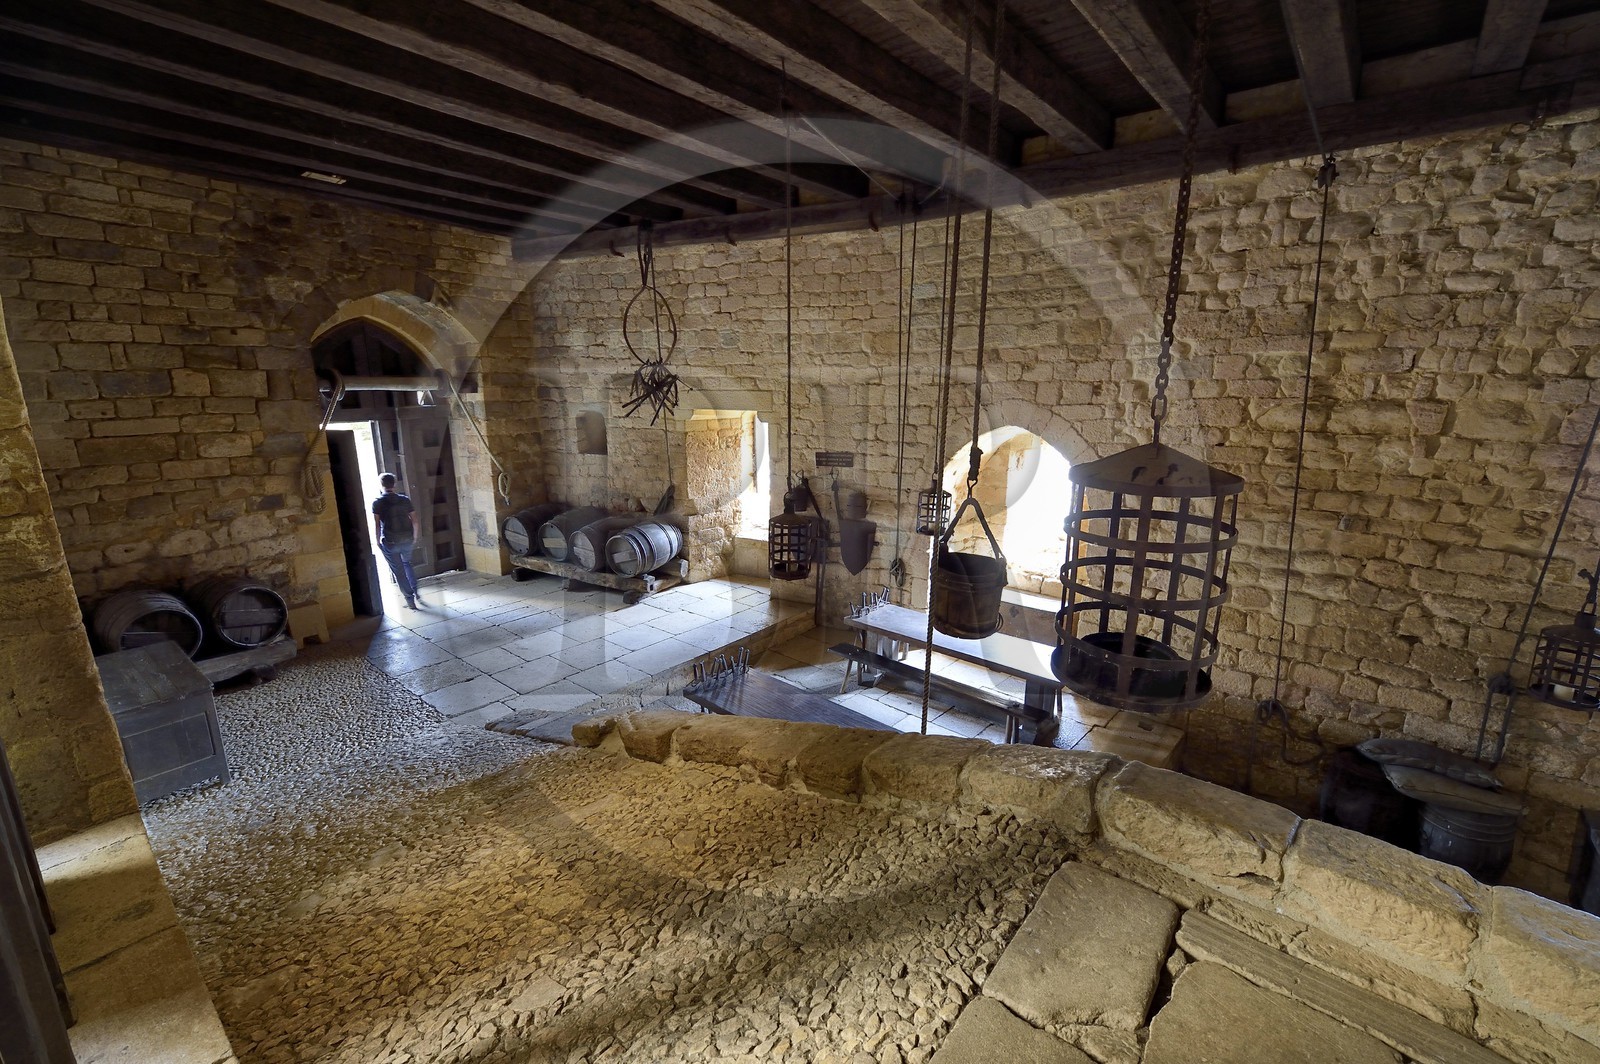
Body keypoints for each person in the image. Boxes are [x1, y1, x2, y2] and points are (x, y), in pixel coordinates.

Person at [371, 472, 422, 609]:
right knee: (407, 564)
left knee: (398, 571)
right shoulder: (404, 500)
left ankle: (410, 600)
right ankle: (416, 591)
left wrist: (377, 541)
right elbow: (415, 520)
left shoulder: (377, 503)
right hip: (407, 539)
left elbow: (377, 524)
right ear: (394, 484)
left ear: (381, 485)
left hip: (390, 541)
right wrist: (415, 537)